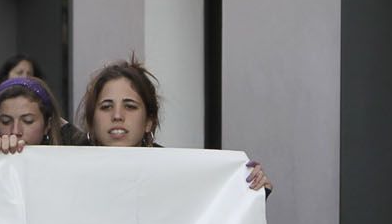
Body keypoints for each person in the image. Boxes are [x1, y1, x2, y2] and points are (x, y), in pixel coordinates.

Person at [75, 58, 271, 192]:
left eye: (130, 106)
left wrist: (248, 190)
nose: (117, 116)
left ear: (149, 121)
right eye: (106, 107)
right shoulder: (68, 171)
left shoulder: (176, 174)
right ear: (92, 120)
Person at [0, 75, 64, 152]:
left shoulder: (66, 159)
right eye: (6, 121)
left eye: (28, 121)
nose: (15, 131)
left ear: (47, 125)